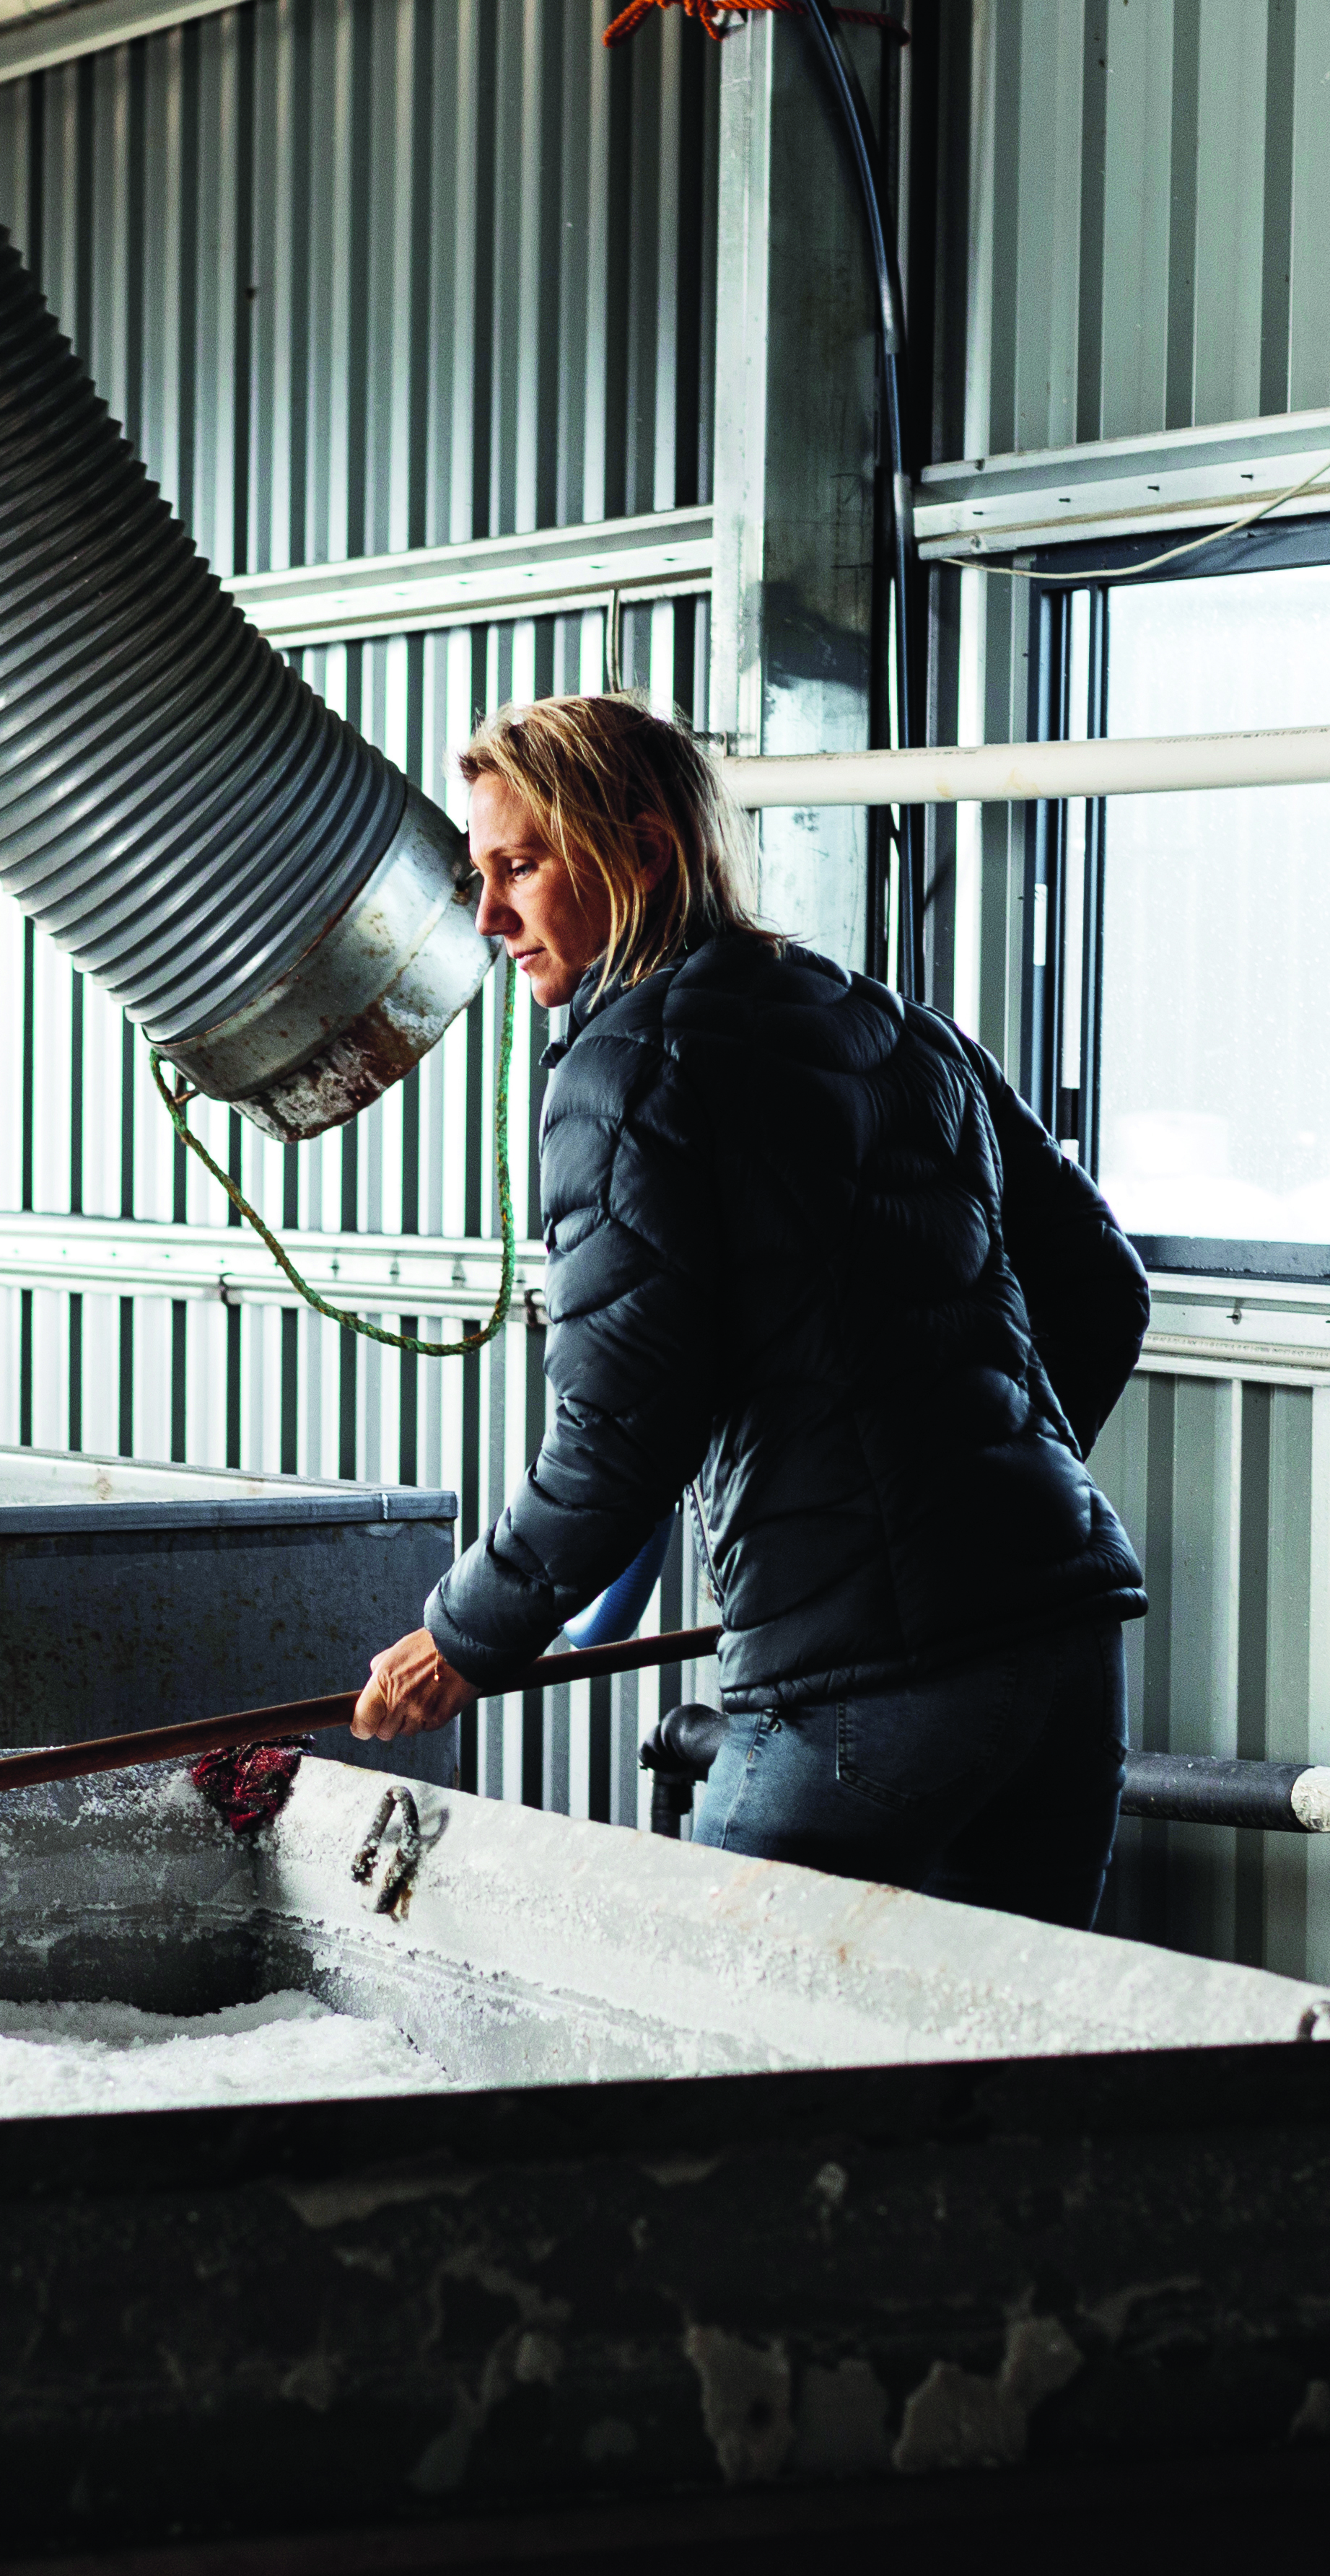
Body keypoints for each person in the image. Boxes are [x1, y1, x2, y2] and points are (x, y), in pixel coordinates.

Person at [349, 693, 1151, 1926]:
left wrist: (463, 1633)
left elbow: (619, 1430)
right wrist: (958, 1499)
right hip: (1060, 1642)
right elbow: (1104, 1289)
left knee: (711, 2050)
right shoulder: (893, 1022)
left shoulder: (628, 1066)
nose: (493, 913)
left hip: (867, 1689)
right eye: (481, 872)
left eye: (521, 865)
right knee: (994, 2081)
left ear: (645, 851)